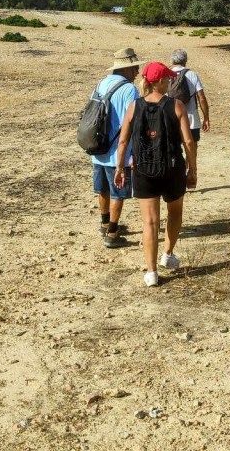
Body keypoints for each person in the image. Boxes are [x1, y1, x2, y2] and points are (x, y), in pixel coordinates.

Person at [114, 62, 198, 287]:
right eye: (168, 79)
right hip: (172, 168)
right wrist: (192, 169)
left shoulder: (134, 106)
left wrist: (120, 168)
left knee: (149, 222)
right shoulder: (176, 105)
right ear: (159, 81)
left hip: (143, 169)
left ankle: (151, 272)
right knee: (175, 212)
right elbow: (189, 142)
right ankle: (167, 255)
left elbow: (123, 141)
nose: (170, 82)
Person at [91, 47, 143, 248]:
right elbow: (134, 121)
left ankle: (104, 223)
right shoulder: (130, 90)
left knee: (102, 189)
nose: (137, 71)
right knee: (117, 192)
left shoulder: (101, 83)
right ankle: (112, 233)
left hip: (98, 148)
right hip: (118, 151)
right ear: (126, 68)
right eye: (135, 67)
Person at [168, 49, 210, 144]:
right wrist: (206, 118)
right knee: (191, 149)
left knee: (173, 150)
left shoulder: (166, 75)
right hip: (192, 119)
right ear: (185, 61)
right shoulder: (192, 74)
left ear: (172, 61)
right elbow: (201, 98)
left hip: (171, 118)